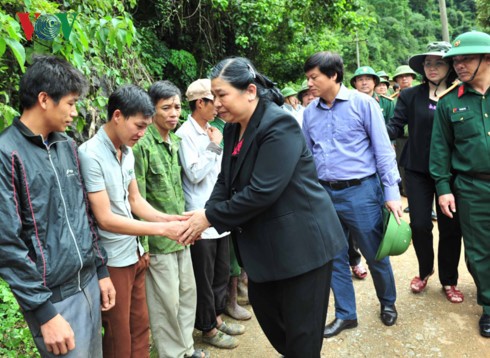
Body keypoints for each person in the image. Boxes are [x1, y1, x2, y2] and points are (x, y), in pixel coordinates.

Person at [179, 57, 346, 357]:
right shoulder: (231, 129)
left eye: (221, 95)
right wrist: (205, 213)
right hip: (264, 250)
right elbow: (225, 180)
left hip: (301, 247)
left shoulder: (279, 124)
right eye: (212, 96)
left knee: (302, 339)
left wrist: (208, 218)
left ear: (250, 91)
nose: (215, 103)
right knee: (274, 324)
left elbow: (262, 191)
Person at [0, 55, 115, 357]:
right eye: (71, 103)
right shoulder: (7, 153)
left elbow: (84, 213)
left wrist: (100, 270)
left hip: (89, 284)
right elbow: (7, 245)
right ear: (44, 99)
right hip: (54, 301)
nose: (76, 113)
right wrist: (44, 314)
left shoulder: (65, 145)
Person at [78, 85, 188, 357]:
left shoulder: (126, 151)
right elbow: (105, 219)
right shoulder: (90, 154)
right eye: (138, 126)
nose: (142, 133)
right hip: (112, 258)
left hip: (134, 252)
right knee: (118, 333)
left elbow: (135, 201)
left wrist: (170, 218)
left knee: (141, 325)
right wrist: (163, 229)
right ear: (117, 116)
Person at [302, 52, 403, 338]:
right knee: (334, 256)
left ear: (333, 75)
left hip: (361, 191)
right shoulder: (309, 113)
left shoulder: (364, 104)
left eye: (314, 78)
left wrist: (391, 192)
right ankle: (346, 314)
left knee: (374, 253)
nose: (309, 84)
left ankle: (388, 303)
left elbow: (383, 150)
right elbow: (307, 156)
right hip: (325, 194)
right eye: (308, 78)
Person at [131, 81, 208, 358]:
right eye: (166, 108)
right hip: (158, 240)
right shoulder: (141, 146)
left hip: (181, 235)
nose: (174, 113)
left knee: (187, 295)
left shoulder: (174, 142)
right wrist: (145, 245)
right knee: (166, 303)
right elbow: (136, 200)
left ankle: (186, 349)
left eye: (176, 107)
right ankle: (171, 354)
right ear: (152, 111)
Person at [386, 42, 463, 303]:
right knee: (419, 225)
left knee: (451, 227)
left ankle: (449, 280)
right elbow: (395, 126)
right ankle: (424, 270)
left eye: (438, 62)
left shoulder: (459, 95)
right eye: (428, 63)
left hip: (450, 173)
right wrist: (374, 133)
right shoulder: (410, 96)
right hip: (417, 169)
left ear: (450, 65)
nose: (432, 68)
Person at [176, 79, 247, 350]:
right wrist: (214, 146)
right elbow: (194, 174)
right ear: (199, 103)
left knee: (220, 272)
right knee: (204, 278)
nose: (217, 106)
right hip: (199, 216)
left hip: (218, 214)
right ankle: (207, 327)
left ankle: (217, 319)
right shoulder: (186, 134)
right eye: (212, 101)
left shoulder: (211, 130)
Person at [430, 31, 490, 337]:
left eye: (466, 58)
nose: (459, 65)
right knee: (479, 251)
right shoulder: (449, 103)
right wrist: (443, 189)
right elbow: (440, 150)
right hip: (472, 187)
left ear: (486, 58)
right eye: (455, 60)